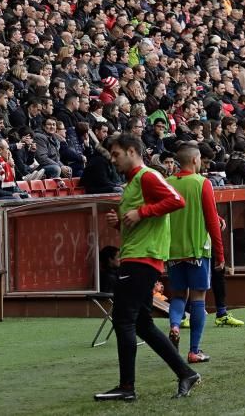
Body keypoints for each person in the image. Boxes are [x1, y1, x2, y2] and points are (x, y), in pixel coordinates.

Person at [96, 133, 200, 402]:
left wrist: (140, 212)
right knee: (141, 323)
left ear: (132, 151)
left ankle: (127, 387)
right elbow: (141, 218)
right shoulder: (133, 183)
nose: (114, 160)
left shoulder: (147, 176)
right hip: (140, 256)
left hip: (142, 258)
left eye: (117, 154)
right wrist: (119, 222)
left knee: (123, 319)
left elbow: (176, 200)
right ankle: (185, 372)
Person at [165, 144, 225, 364]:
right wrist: (221, 255)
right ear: (194, 160)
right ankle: (194, 351)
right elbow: (211, 221)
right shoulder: (202, 183)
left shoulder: (167, 183)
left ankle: (173, 325)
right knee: (198, 297)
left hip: (172, 250)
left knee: (179, 295)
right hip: (198, 249)